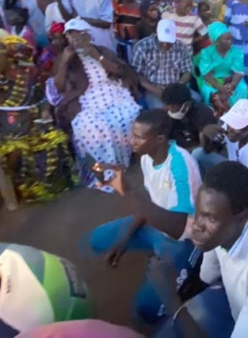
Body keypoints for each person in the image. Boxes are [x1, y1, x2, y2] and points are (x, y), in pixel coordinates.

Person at [146, 161, 248, 338]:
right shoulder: (224, 227)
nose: (197, 225)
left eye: (210, 218)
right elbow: (207, 276)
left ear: (242, 217)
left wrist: (172, 301)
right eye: (198, 212)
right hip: (233, 307)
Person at [87, 110, 202, 324]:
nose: (132, 141)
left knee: (147, 311)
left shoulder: (179, 164)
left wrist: (128, 193)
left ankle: (192, 280)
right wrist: (123, 240)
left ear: (159, 139)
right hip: (155, 226)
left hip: (182, 240)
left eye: (139, 137)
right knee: (96, 240)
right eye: (133, 134)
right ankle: (159, 257)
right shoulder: (147, 159)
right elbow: (150, 202)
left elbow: (177, 227)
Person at [0, 35, 75, 203]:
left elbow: (42, 98)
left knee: (52, 141)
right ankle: (24, 192)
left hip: (29, 123)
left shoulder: (29, 75)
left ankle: (51, 188)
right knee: (16, 149)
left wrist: (44, 111)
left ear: (10, 58)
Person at [48, 18, 141, 190]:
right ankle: (103, 172)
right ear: (67, 38)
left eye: (80, 35)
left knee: (124, 116)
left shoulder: (101, 50)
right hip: (85, 98)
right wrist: (65, 62)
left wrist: (95, 55)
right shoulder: (65, 57)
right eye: (71, 35)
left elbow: (119, 70)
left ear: (88, 36)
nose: (76, 39)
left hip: (111, 91)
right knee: (93, 126)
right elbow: (59, 86)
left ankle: (123, 163)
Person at [194, 99, 248, 188]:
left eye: (236, 125)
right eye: (230, 122)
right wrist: (207, 134)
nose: (229, 130)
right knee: (197, 153)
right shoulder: (232, 129)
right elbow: (208, 149)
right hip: (235, 169)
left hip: (247, 183)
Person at [131, 19, 193, 108]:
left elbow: (187, 71)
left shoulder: (181, 47)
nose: (165, 44)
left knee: (194, 103)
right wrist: (153, 89)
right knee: (162, 109)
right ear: (157, 33)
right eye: (162, 40)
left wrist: (178, 85)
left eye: (169, 42)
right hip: (151, 88)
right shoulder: (142, 46)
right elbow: (135, 73)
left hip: (175, 87)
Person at [198, 21, 248, 107]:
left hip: (231, 78)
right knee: (209, 92)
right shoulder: (207, 53)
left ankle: (239, 115)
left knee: (243, 88)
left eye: (230, 38)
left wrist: (232, 85)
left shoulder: (237, 52)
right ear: (216, 41)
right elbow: (207, 75)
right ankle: (215, 116)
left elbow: (238, 72)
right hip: (213, 80)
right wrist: (219, 87)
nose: (230, 42)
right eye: (226, 39)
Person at [162, 82, 217, 149]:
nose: (169, 109)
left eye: (172, 107)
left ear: (186, 105)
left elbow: (203, 146)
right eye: (167, 106)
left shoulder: (203, 114)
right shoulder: (166, 112)